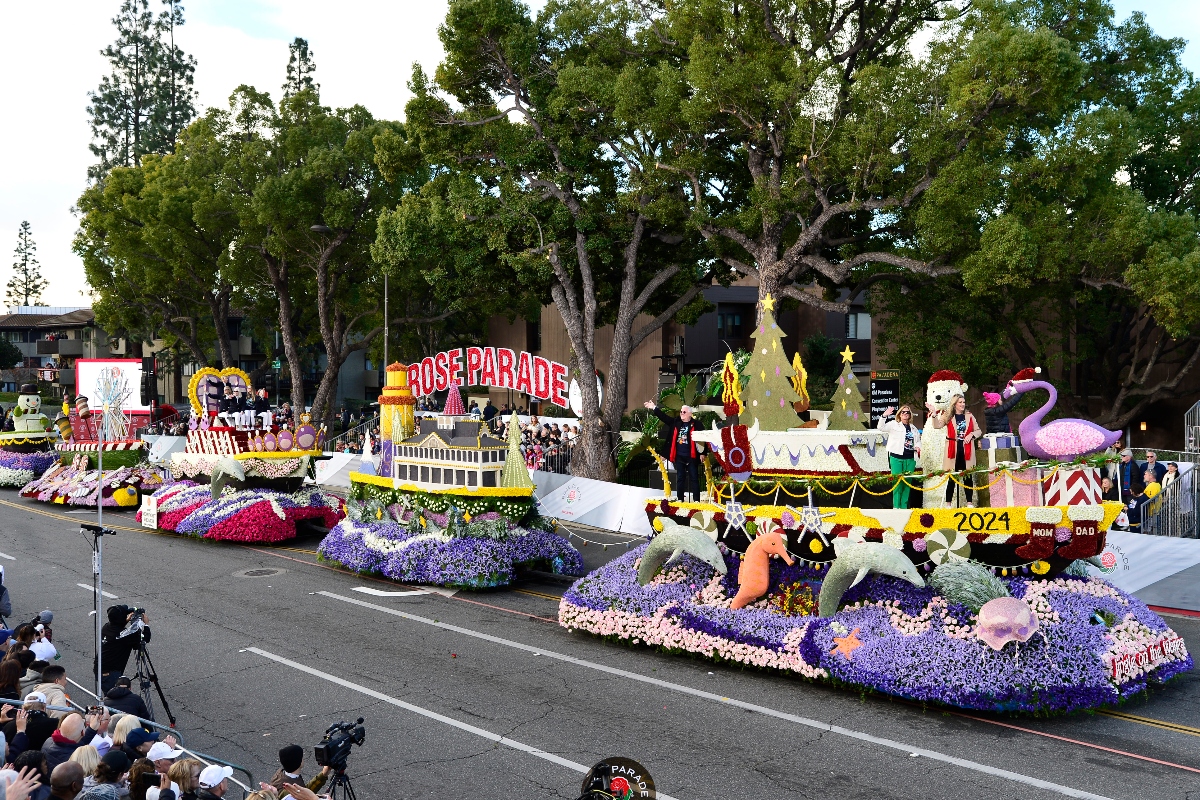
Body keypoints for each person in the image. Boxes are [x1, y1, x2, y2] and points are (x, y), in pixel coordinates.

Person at [927, 394, 982, 508]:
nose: (962, 404)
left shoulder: (969, 416)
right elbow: (937, 425)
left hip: (966, 449)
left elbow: (978, 431)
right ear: (955, 404)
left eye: (963, 402)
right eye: (960, 402)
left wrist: (971, 434)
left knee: (967, 476)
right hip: (953, 449)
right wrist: (933, 414)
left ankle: (969, 503)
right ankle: (948, 504)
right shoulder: (948, 415)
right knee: (952, 476)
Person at [644, 401, 705, 502]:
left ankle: (697, 500)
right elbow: (664, 417)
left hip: (691, 456)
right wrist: (654, 407)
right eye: (681, 412)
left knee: (694, 478)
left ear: (690, 413)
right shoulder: (676, 422)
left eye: (684, 412)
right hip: (679, 456)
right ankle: (680, 499)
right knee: (680, 478)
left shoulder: (697, 424)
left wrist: (703, 453)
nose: (681, 413)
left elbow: (703, 439)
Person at [96, 606, 150, 693]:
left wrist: (125, 620)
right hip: (110, 675)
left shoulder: (106, 627)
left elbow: (120, 631)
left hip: (101, 669)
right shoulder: (124, 636)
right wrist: (146, 625)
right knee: (116, 699)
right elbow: (144, 639)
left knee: (112, 697)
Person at [877, 405, 919, 509]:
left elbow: (918, 441)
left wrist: (918, 447)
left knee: (907, 483)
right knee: (897, 482)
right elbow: (880, 427)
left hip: (910, 458)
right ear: (899, 414)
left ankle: (904, 507)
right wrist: (884, 416)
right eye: (903, 412)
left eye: (907, 412)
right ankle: (896, 506)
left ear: (910, 415)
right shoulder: (893, 424)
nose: (905, 414)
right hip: (896, 457)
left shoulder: (913, 428)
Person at [41, 712, 106, 772]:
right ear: (83, 732)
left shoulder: (49, 741)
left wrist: (92, 729)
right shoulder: (74, 757)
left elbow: (75, 743)